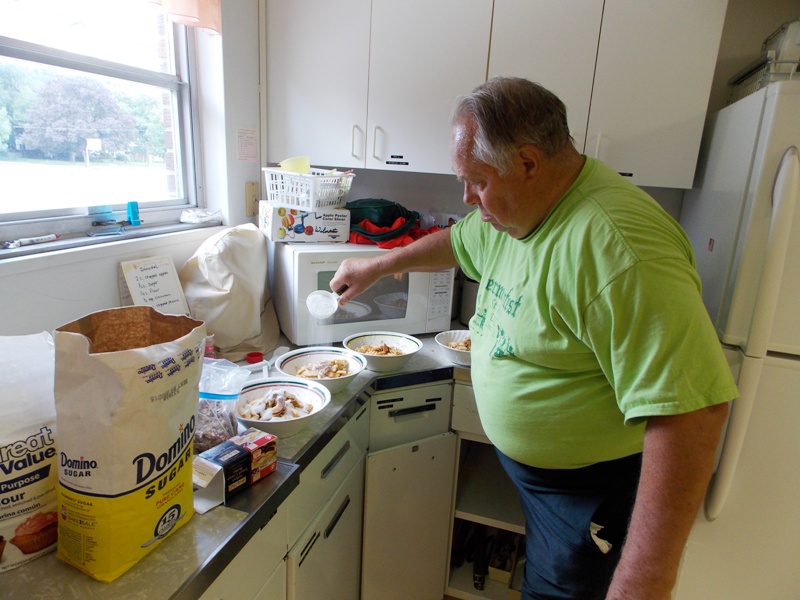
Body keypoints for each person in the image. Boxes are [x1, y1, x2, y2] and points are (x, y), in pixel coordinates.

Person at [330, 77, 737, 599]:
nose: (467, 198)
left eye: (476, 181)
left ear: (527, 162)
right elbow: (459, 241)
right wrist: (379, 266)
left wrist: (645, 581)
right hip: (542, 479)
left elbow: (692, 412)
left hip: (591, 491)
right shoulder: (517, 211)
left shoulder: (620, 251)